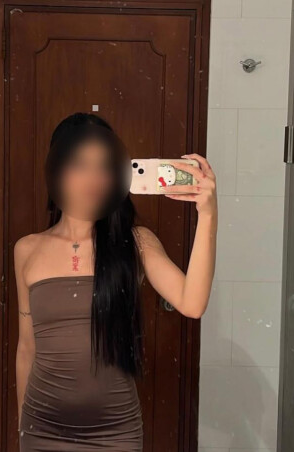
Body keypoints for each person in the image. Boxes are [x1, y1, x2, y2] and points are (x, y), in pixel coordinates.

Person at [14, 113, 218, 451]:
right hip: (42, 431)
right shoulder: (27, 249)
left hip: (115, 434)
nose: (94, 177)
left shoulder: (136, 242)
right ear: (56, 170)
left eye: (104, 165)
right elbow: (26, 348)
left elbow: (193, 303)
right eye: (80, 164)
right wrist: (23, 428)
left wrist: (208, 214)